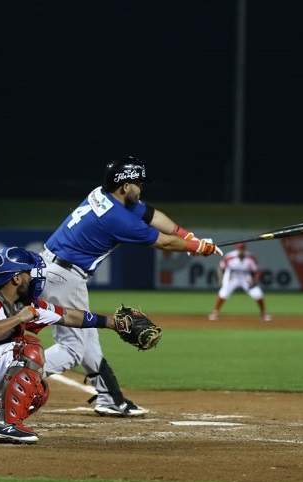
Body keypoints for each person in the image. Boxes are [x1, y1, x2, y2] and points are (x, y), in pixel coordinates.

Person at [39, 156, 221, 417]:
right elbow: (163, 243)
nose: (141, 188)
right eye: (138, 183)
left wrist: (188, 236)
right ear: (124, 186)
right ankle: (12, 379)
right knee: (72, 348)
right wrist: (198, 247)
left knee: (88, 338)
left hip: (54, 269)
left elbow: (153, 215)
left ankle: (111, 399)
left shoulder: (103, 195)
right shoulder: (117, 218)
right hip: (64, 277)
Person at [0, 246, 126, 444]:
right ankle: (4, 425)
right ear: (16, 278)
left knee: (37, 391)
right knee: (27, 348)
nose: (35, 277)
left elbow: (67, 315)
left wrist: (114, 323)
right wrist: (18, 319)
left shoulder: (20, 304)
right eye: (29, 273)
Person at [209, 243, 272, 322]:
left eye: (242, 248)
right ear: (236, 248)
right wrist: (221, 279)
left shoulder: (250, 257)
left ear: (244, 248)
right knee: (224, 292)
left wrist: (254, 280)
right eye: (239, 248)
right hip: (232, 276)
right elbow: (220, 268)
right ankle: (215, 312)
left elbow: (258, 271)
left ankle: (263, 313)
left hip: (245, 277)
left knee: (257, 293)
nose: (241, 250)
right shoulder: (230, 256)